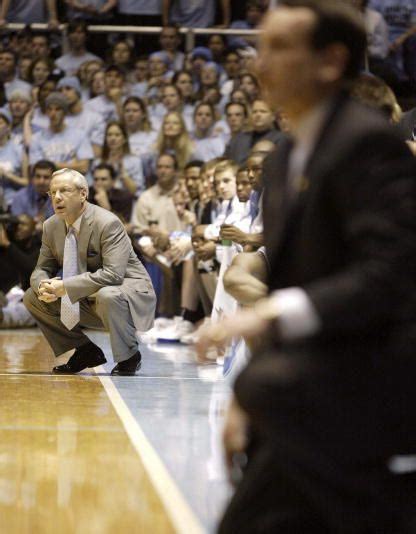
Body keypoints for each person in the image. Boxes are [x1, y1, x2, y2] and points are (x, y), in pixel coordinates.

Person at [197, 1, 416, 532]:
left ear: (331, 61)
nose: (260, 63)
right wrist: (252, 393)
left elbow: (389, 276)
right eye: (260, 46)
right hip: (309, 395)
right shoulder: (280, 158)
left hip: (373, 389)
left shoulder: (369, 144)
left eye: (279, 47)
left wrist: (268, 320)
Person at [23, 168, 156, 375]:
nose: (57, 197)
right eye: (52, 192)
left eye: (64, 191)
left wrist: (65, 287)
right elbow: (42, 268)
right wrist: (43, 285)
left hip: (128, 294)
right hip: (89, 297)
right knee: (33, 297)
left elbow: (113, 275)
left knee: (108, 294)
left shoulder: (108, 223)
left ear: (83, 194)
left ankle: (129, 356)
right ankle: (84, 350)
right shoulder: (51, 226)